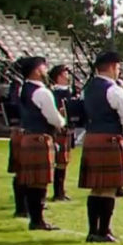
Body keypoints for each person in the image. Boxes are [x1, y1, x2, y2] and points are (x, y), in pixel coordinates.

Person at [79, 51, 123, 242]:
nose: (118, 71)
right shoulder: (115, 90)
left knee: (96, 188)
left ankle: (92, 231)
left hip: (91, 138)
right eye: (118, 67)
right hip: (109, 140)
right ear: (111, 67)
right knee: (109, 188)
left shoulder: (87, 88)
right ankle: (104, 231)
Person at [15, 56, 65, 231]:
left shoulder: (23, 88)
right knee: (39, 181)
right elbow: (53, 118)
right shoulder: (42, 92)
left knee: (30, 180)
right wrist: (62, 121)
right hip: (40, 138)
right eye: (43, 67)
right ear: (36, 71)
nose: (46, 70)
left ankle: (32, 216)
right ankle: (37, 220)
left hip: (28, 137)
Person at [48, 64, 75, 202]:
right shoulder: (54, 92)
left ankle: (61, 191)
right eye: (65, 74)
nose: (67, 76)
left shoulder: (69, 91)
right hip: (59, 128)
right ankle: (58, 192)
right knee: (60, 161)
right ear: (58, 76)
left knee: (64, 160)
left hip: (67, 128)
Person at [6, 71, 26, 218]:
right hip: (22, 130)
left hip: (24, 130)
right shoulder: (19, 87)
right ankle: (21, 208)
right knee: (21, 171)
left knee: (25, 172)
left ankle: (26, 206)